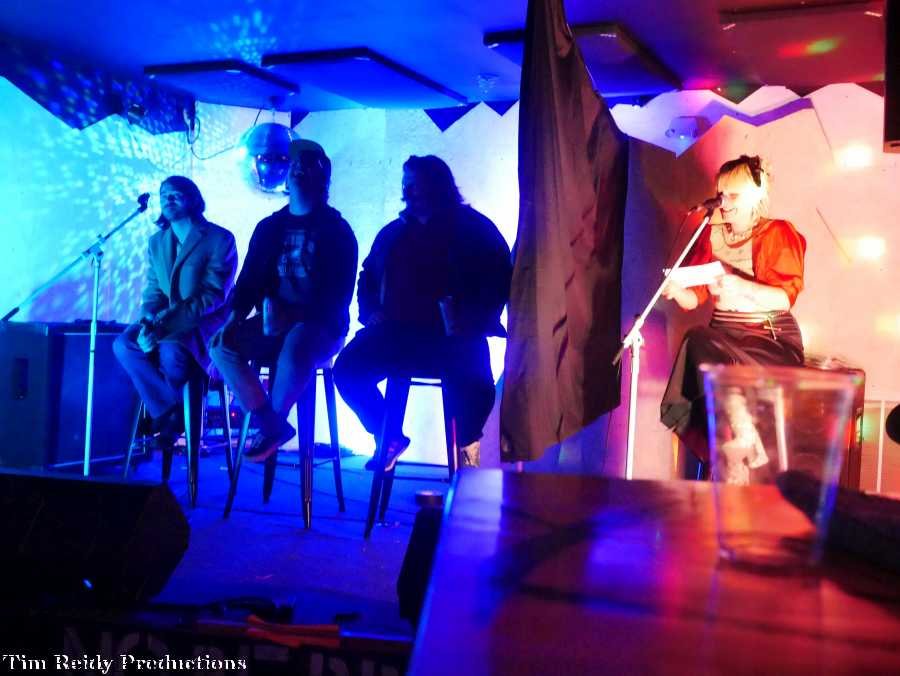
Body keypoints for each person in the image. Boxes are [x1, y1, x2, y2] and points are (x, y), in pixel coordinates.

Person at [334, 155, 512, 470]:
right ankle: (387, 434)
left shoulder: (474, 230)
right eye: (406, 184)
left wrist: (472, 319)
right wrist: (371, 311)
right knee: (348, 369)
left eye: (415, 184)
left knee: (476, 390)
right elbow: (369, 276)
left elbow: (500, 280)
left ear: (438, 185)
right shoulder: (394, 233)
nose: (408, 191)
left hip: (455, 338)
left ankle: (467, 455)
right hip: (396, 334)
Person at [660, 155, 806, 485]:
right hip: (723, 337)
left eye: (733, 196)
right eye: (721, 195)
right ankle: (738, 450)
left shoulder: (777, 232)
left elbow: (784, 298)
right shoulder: (710, 235)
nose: (724, 203)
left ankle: (740, 445)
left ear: (755, 197)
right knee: (697, 340)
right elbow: (693, 299)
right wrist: (676, 290)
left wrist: (741, 285)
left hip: (766, 338)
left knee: (711, 358)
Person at [209, 139, 358, 463]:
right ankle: (271, 425)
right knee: (221, 345)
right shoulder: (270, 228)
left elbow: (339, 296)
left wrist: (293, 315)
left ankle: (272, 426)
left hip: (321, 326)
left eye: (308, 165)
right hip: (272, 322)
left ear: (322, 179)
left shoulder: (337, 230)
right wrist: (234, 318)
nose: (299, 168)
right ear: (287, 179)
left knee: (298, 341)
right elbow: (249, 279)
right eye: (295, 165)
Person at [114, 176, 238, 445]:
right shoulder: (157, 242)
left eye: (175, 194)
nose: (167, 200)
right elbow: (154, 290)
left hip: (205, 323)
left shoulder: (220, 239)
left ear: (193, 199)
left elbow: (213, 295)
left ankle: (169, 419)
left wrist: (163, 325)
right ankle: (172, 412)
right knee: (124, 344)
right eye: (163, 195)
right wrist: (147, 321)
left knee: (171, 349)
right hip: (165, 322)